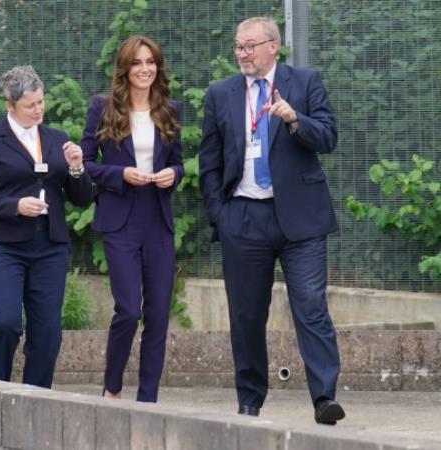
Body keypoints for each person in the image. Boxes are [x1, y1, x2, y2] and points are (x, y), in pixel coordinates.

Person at [198, 17, 345, 425]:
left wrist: (294, 118)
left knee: (311, 307)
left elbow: (329, 137)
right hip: (243, 216)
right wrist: (220, 215)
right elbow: (208, 161)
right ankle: (249, 399)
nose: (241, 53)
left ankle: (324, 398)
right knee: (246, 313)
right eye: (238, 46)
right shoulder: (220, 94)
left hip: (301, 219)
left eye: (249, 46)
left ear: (272, 47)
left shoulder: (305, 82)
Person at [0, 65, 92, 388]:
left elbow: (81, 198)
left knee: (48, 333)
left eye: (41, 102)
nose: (39, 110)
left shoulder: (57, 139)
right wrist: (14, 206)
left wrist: (77, 169)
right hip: (1, 247)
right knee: (5, 323)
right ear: (9, 106)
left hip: (49, 247)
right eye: (30, 105)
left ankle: (35, 401)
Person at [80, 35, 183, 403]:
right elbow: (87, 164)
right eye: (137, 63)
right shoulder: (102, 108)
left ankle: (148, 400)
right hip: (120, 220)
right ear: (124, 68)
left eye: (151, 62)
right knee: (128, 309)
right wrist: (120, 175)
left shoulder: (170, 109)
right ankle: (112, 387)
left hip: (157, 218)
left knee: (157, 314)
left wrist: (175, 174)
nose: (145, 70)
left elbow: (177, 161)